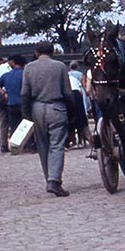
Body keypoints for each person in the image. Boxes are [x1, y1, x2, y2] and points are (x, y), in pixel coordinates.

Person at [21, 41, 74, 197]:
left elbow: (24, 93)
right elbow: (68, 93)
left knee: (42, 146)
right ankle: (54, 180)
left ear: (36, 52)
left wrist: (26, 114)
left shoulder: (29, 68)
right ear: (53, 52)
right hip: (57, 107)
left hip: (37, 108)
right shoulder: (60, 66)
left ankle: (49, 179)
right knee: (57, 145)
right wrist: (72, 113)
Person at [0, 55, 26, 137]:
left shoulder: (7, 75)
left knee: (13, 125)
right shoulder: (24, 74)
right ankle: (26, 145)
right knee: (25, 125)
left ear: (14, 63)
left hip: (11, 104)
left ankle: (13, 145)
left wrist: (3, 92)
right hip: (22, 103)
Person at [67, 61, 91, 148]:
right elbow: (83, 88)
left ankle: (72, 140)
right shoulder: (80, 75)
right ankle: (82, 140)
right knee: (81, 118)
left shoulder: (67, 75)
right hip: (77, 95)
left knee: (70, 119)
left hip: (69, 95)